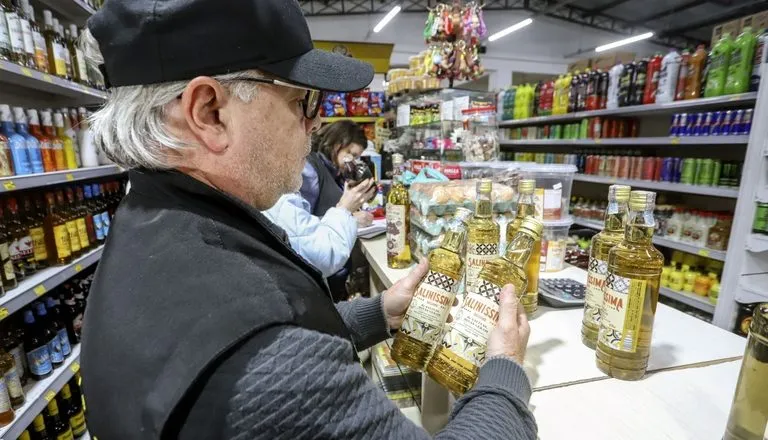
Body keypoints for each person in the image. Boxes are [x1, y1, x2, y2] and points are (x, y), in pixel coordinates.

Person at [79, 1, 537, 439]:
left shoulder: (155, 217)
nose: (314, 123)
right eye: (301, 101)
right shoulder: (268, 371)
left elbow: (262, 315)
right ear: (209, 113)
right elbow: (270, 355)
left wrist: (376, 313)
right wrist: (504, 369)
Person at [263, 178, 374, 277]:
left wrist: (343, 210)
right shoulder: (277, 196)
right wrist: (344, 209)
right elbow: (324, 256)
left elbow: (305, 230)